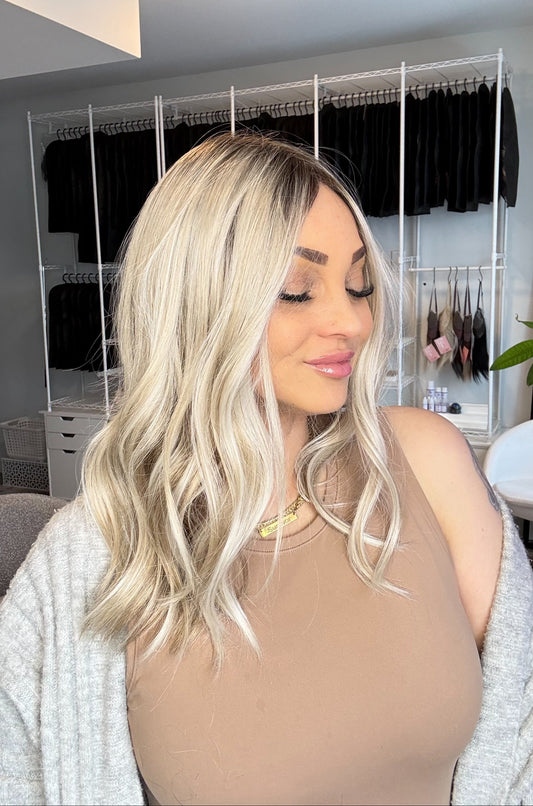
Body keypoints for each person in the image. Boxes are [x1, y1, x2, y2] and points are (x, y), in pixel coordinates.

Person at [0, 132, 531, 806]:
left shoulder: (425, 463)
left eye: (358, 283)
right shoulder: (92, 557)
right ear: (197, 304)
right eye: (295, 290)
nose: (352, 321)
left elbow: (521, 718)